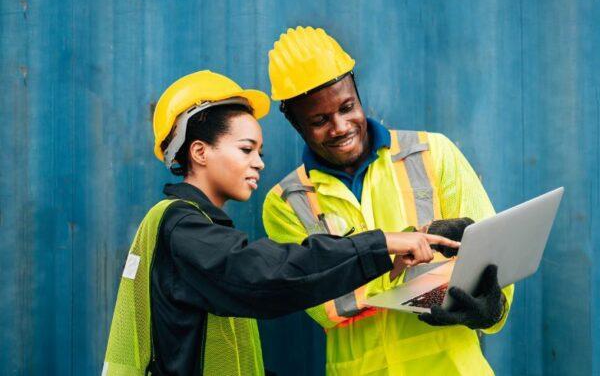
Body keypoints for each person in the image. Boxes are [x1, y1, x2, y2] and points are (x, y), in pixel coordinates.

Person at [102, 70, 461, 376]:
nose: (258, 163)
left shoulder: (197, 227)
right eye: (246, 149)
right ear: (200, 152)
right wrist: (381, 243)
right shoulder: (182, 226)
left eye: (260, 152)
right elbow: (268, 276)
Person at [262, 27, 514, 375]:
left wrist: (493, 306)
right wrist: (397, 252)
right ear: (296, 124)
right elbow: (327, 305)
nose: (340, 127)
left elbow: (494, 255)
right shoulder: (287, 202)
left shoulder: (432, 153)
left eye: (347, 107)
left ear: (357, 94)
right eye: (319, 121)